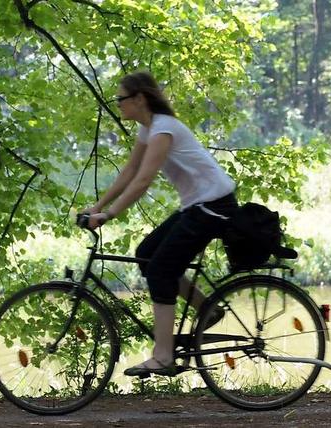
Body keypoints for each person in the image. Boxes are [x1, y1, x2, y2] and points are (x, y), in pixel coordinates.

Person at [83, 71, 237, 377]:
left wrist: (109, 215)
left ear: (139, 99)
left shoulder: (164, 129)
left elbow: (143, 181)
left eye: (121, 99)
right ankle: (208, 310)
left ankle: (163, 357)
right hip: (199, 205)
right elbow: (130, 171)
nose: (118, 104)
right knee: (147, 254)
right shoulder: (149, 128)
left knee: (160, 270)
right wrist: (97, 207)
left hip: (214, 206)